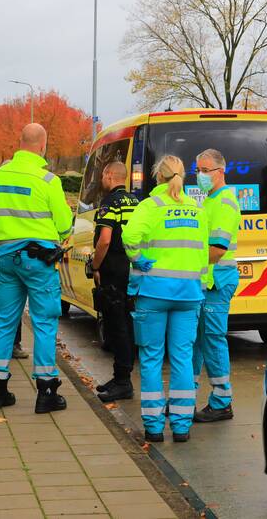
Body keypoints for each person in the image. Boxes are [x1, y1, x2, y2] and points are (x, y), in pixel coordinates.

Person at [0, 123, 73, 413]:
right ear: (42, 145)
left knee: (4, 321)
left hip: (6, 257)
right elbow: (64, 224)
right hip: (38, 261)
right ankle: (46, 391)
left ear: (20, 141)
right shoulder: (48, 180)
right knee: (44, 323)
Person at [121, 155, 207, 443]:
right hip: (190, 294)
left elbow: (129, 237)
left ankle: (154, 426)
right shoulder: (197, 209)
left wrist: (138, 259)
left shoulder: (150, 206)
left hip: (153, 293)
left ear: (158, 177)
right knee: (182, 358)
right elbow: (202, 253)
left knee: (151, 358)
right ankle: (181, 426)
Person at [191, 148, 242, 422]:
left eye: (205, 170)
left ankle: (222, 401)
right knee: (197, 341)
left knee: (212, 340)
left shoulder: (224, 203)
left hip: (217, 282)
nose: (199, 175)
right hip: (207, 281)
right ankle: (185, 398)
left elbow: (218, 249)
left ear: (220, 172)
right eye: (197, 170)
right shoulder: (210, 200)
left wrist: (187, 263)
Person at [90, 161, 140, 402]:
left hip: (113, 271)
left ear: (110, 175)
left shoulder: (109, 203)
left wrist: (95, 266)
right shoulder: (136, 202)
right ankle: (121, 375)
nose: (102, 179)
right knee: (127, 324)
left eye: (102, 175)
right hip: (132, 269)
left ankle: (123, 382)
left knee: (116, 326)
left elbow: (105, 240)